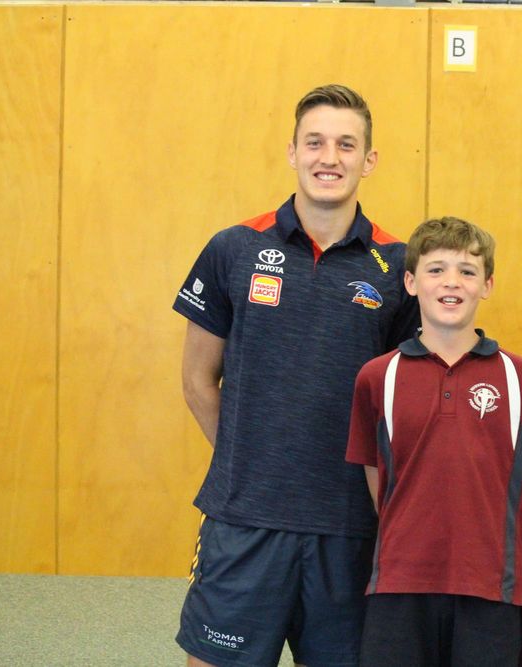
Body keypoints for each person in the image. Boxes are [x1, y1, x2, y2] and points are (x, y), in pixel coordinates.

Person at [172, 84, 420, 667]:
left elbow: (407, 400)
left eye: (345, 144)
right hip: (244, 522)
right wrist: (247, 459)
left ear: (369, 160)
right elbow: (196, 381)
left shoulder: (398, 267)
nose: (328, 158)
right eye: (315, 142)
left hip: (350, 529)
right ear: (292, 151)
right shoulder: (233, 248)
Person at [345, 216, 522, 666]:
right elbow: (379, 482)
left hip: (491, 587)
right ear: (411, 281)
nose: (451, 282)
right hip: (399, 584)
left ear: (488, 284)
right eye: (436, 269)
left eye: (467, 271)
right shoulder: (378, 377)